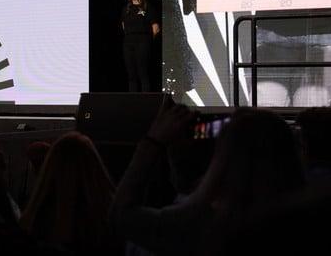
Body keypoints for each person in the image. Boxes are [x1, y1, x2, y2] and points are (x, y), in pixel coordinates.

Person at [111, 100, 306, 256]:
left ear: (223, 161)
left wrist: (154, 141)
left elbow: (121, 214)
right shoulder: (312, 222)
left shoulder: (199, 228)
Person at [120, 0, 159, 92]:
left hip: (143, 42)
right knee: (131, 75)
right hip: (128, 43)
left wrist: (146, 41)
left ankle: (145, 100)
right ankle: (132, 100)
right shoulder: (126, 9)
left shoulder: (147, 7)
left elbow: (155, 28)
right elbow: (124, 26)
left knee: (143, 73)